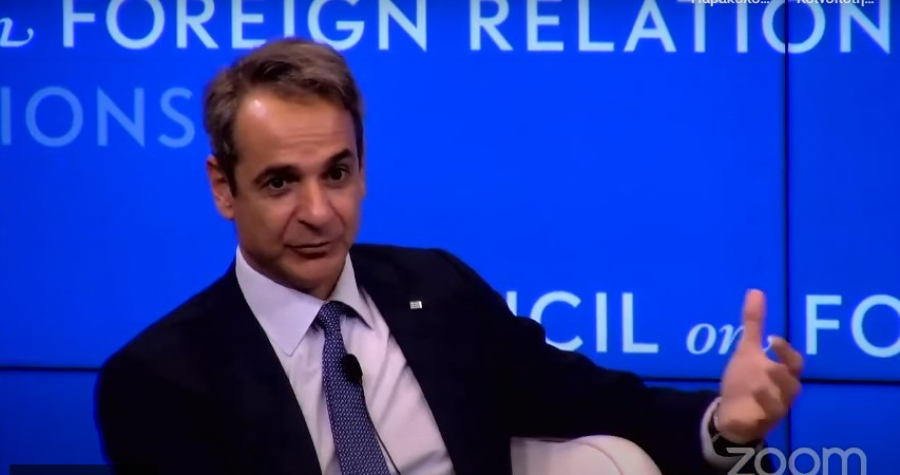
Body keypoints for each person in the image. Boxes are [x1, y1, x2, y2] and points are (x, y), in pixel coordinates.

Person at [94, 37, 803, 475]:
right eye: (281, 182)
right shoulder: (159, 382)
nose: (319, 211)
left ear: (363, 170)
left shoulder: (439, 291)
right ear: (224, 187)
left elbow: (606, 405)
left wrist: (724, 425)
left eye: (337, 173)